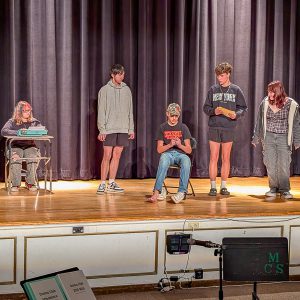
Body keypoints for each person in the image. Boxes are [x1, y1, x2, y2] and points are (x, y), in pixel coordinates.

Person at [203, 62, 247, 196]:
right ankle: (212, 187)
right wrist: (214, 111)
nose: (219, 78)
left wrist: (236, 114)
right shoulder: (213, 89)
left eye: (221, 75)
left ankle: (223, 186)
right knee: (213, 157)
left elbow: (243, 108)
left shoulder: (236, 90)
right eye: (218, 76)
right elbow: (206, 108)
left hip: (229, 127)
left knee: (226, 157)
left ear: (228, 74)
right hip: (214, 126)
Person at [252, 81, 300, 199]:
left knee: (283, 164)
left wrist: (297, 141)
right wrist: (256, 137)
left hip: (284, 137)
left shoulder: (291, 104)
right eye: (269, 91)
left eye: (272, 91)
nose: (270, 94)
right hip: (268, 137)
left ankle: (284, 190)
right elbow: (259, 121)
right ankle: (273, 188)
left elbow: (296, 124)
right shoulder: (265, 103)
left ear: (279, 92)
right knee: (270, 163)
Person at [97, 64, 134, 194]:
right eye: (119, 74)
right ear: (113, 75)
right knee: (107, 155)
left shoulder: (127, 90)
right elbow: (101, 111)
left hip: (123, 128)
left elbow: (130, 111)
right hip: (109, 129)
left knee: (117, 155)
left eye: (123, 74)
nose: (122, 77)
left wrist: (131, 128)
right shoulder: (104, 90)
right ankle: (102, 183)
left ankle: (111, 182)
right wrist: (102, 129)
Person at [149, 103, 192, 204]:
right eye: (172, 115)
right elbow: (159, 150)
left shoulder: (183, 127)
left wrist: (179, 145)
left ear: (179, 115)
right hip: (167, 153)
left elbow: (189, 150)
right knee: (163, 159)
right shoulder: (162, 127)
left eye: (176, 116)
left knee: (186, 161)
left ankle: (181, 192)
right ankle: (157, 191)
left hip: (181, 154)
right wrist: (169, 144)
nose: (174, 118)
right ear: (167, 114)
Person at [1, 101, 42, 192]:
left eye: (29, 110)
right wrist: (18, 132)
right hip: (15, 146)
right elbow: (4, 131)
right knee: (16, 157)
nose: (28, 112)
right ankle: (15, 184)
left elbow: (42, 130)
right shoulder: (12, 121)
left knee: (33, 157)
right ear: (19, 112)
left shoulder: (34, 121)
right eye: (25, 110)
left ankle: (30, 182)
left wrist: (34, 131)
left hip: (29, 146)